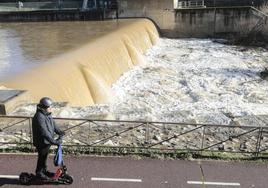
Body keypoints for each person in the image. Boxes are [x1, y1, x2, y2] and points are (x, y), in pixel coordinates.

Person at [32, 97, 65, 180]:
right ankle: (39, 172)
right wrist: (54, 141)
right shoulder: (39, 116)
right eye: (49, 107)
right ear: (44, 108)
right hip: (42, 142)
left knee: (44, 157)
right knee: (42, 157)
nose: (51, 108)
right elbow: (44, 132)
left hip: (47, 142)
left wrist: (60, 132)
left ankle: (44, 170)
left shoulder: (47, 114)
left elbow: (53, 125)